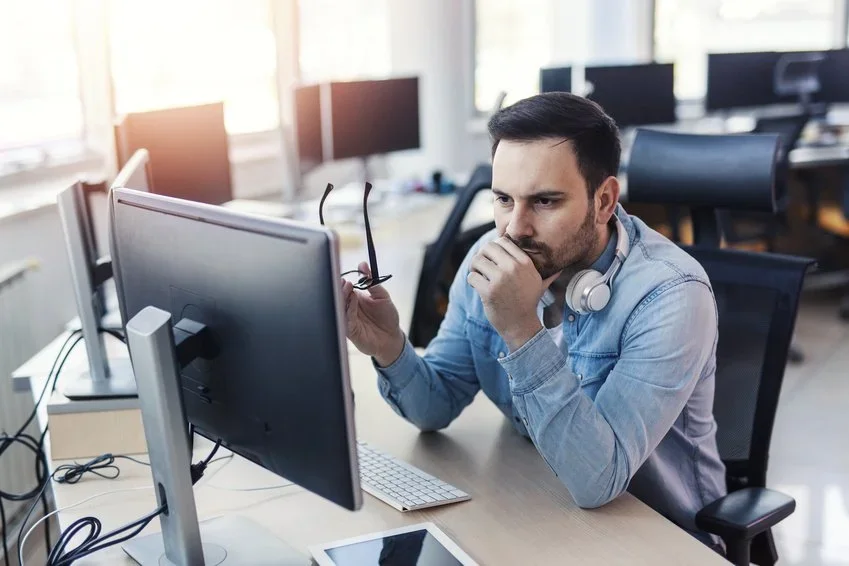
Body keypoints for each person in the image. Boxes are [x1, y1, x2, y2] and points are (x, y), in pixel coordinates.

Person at [341, 92, 726, 547]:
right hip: (544, 507)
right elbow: (435, 406)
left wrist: (521, 328)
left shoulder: (670, 295)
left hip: (657, 538)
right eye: (503, 199)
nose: (514, 229)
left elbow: (596, 483)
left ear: (603, 201)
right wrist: (389, 347)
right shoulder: (486, 261)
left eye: (544, 202)